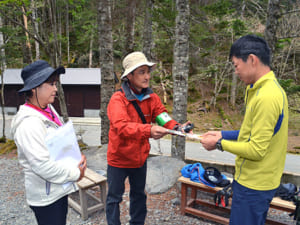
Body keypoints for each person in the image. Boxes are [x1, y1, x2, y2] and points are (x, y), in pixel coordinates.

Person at [200, 34, 288, 225]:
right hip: (252, 181)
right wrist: (222, 134)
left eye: (236, 65)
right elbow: (252, 134)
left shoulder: (267, 96)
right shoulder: (258, 89)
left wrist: (219, 144)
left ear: (252, 60)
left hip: (254, 185)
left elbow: (256, 149)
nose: (236, 71)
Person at [106, 51, 192, 225]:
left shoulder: (151, 97)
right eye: (141, 72)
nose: (147, 76)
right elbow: (121, 127)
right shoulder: (117, 100)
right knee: (114, 198)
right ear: (129, 76)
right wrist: (149, 130)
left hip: (139, 158)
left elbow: (161, 115)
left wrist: (177, 127)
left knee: (138, 194)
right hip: (119, 159)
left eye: (148, 71)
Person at [10, 60, 87, 225]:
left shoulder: (47, 109)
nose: (55, 89)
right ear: (34, 87)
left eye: (55, 84)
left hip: (57, 189)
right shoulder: (29, 124)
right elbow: (42, 165)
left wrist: (75, 156)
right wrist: (76, 174)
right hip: (46, 198)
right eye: (51, 84)